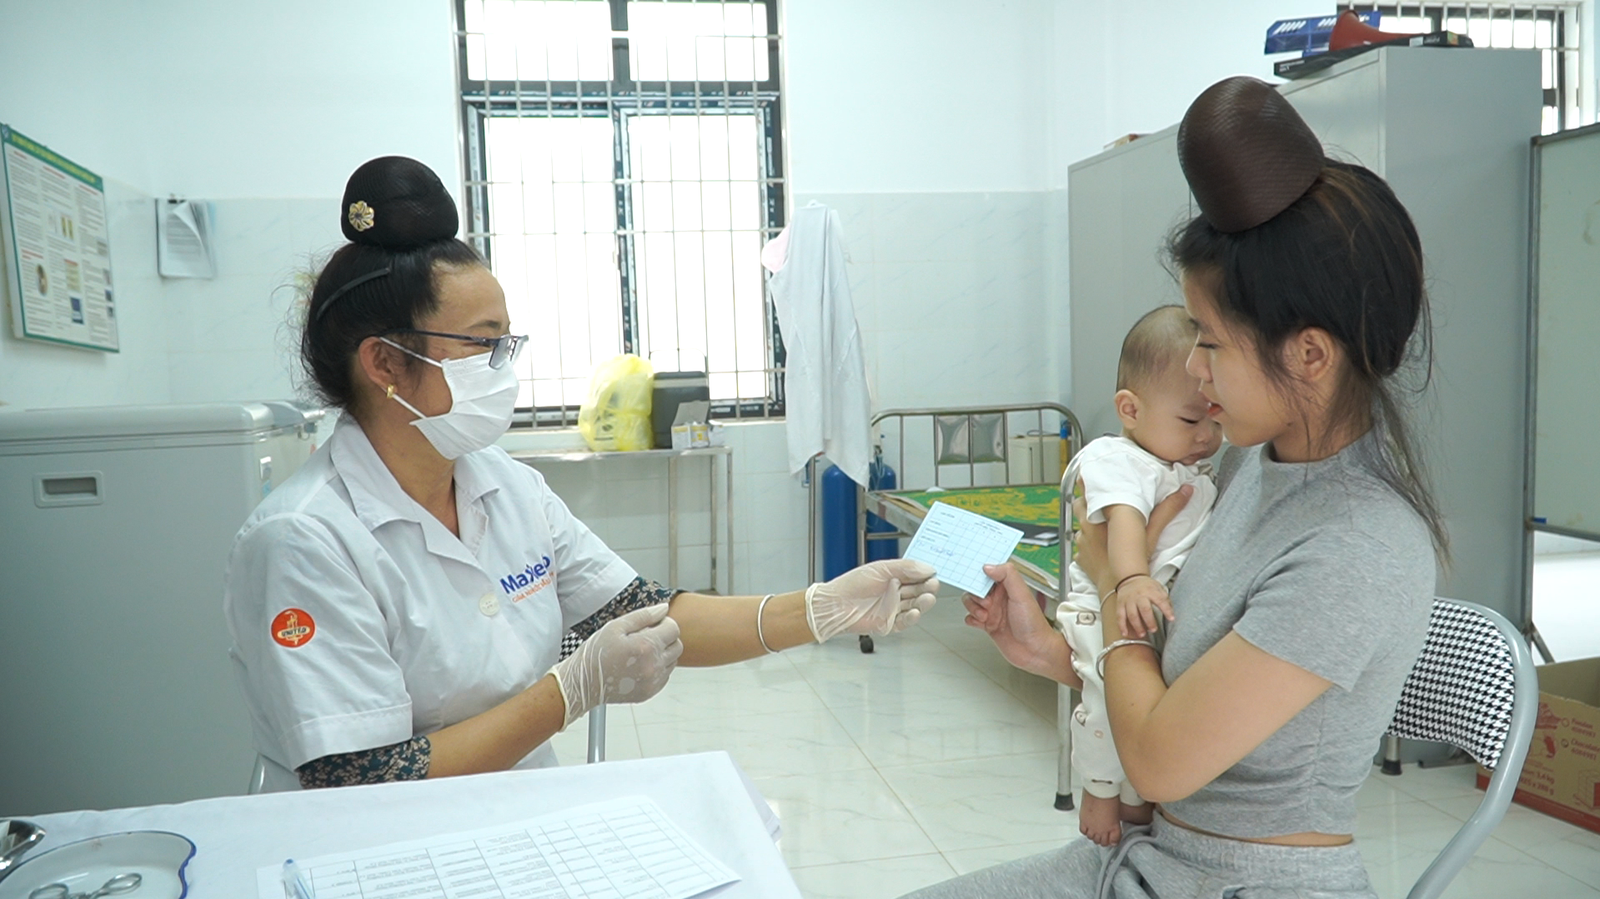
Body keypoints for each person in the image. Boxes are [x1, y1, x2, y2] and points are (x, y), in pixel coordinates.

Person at [223, 155, 938, 792]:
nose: (504, 367)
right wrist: (571, 690)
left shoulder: (504, 486)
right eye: (481, 345)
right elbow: (361, 780)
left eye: (508, 342)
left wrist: (822, 608)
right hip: (382, 847)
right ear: (384, 363)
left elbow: (651, 612)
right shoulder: (305, 539)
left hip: (516, 806)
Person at [902, 75, 1444, 898]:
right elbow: (1175, 681)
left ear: (1308, 354)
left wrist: (1116, 579)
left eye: (1212, 341)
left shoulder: (1358, 542)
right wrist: (1054, 650)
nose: (1193, 370)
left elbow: (1158, 757)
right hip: (1159, 858)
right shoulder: (1253, 471)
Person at [1059, 304, 1222, 846]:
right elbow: (1122, 524)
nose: (1206, 436)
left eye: (1214, 420)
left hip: (1144, 604)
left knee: (1143, 704)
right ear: (1130, 408)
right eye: (1190, 420)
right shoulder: (1116, 460)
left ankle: (1133, 798)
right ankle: (1099, 790)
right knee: (1107, 700)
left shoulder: (1186, 467)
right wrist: (1128, 579)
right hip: (1107, 601)